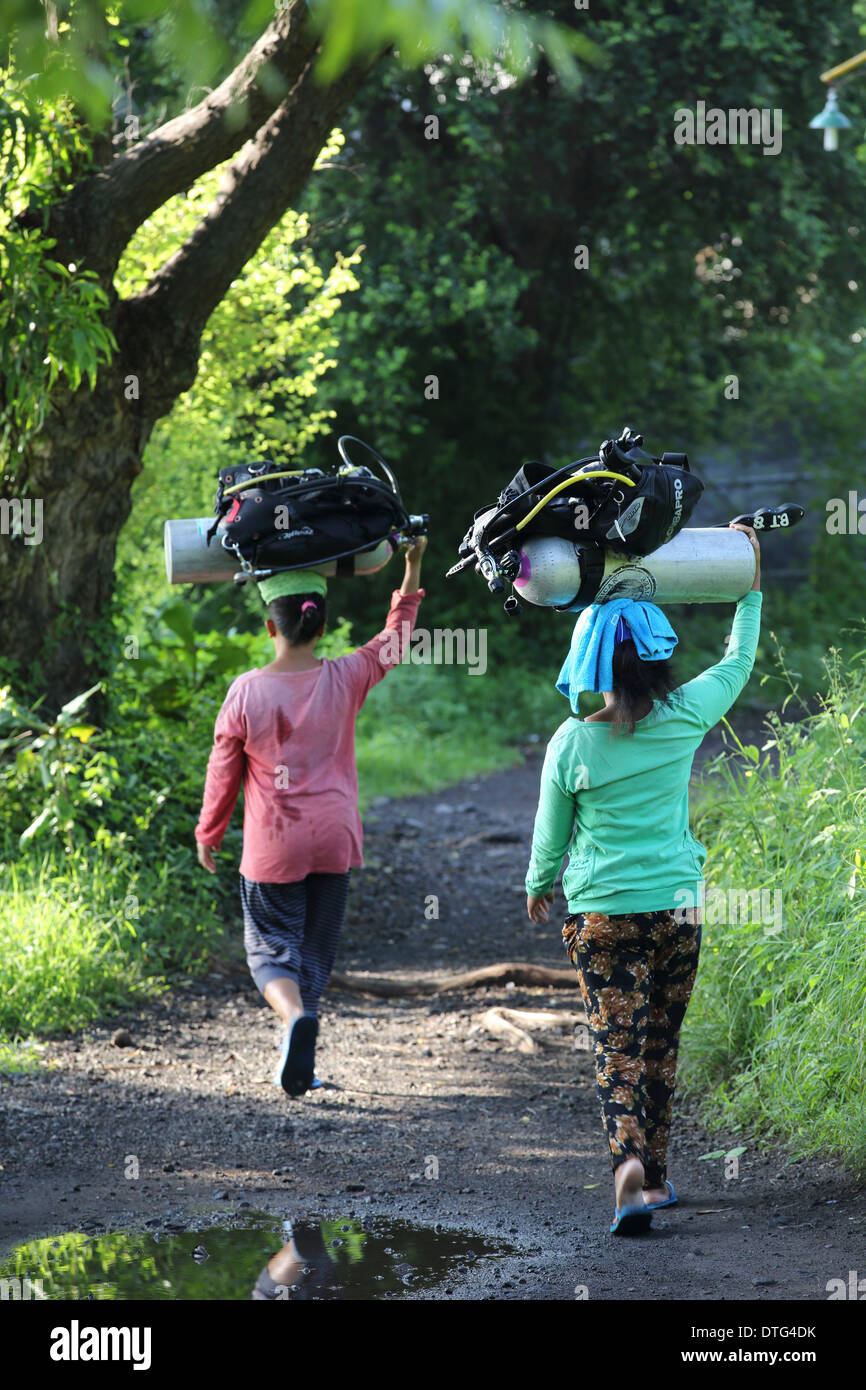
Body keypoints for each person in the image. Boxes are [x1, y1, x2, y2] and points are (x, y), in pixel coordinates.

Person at [525, 522, 762, 1236]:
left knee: (616, 1046)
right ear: (658, 662)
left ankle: (628, 1167)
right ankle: (654, 1176)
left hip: (602, 917)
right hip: (678, 911)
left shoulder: (573, 742)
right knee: (662, 1042)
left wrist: (540, 885)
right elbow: (740, 656)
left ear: (588, 662)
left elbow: (550, 835)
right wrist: (750, 579)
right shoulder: (686, 715)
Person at [195, 537, 426, 1096]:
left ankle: (294, 1023)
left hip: (275, 846)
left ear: (270, 628)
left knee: (269, 949)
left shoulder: (247, 691)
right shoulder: (345, 676)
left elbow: (223, 772)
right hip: (334, 840)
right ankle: (299, 1059)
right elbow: (394, 642)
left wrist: (209, 832)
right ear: (319, 626)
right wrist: (414, 563)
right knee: (315, 951)